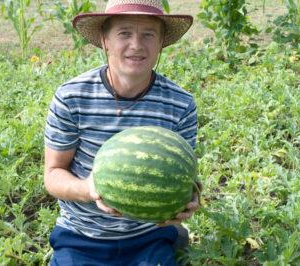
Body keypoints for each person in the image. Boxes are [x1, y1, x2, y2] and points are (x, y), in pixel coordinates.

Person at [43, 0, 201, 265]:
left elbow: (183, 170)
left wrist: (190, 196)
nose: (136, 45)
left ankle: (175, 237)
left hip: (148, 236)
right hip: (81, 235)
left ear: (161, 41)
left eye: (148, 34)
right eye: (124, 33)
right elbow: (52, 174)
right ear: (105, 40)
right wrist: (88, 188)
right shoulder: (71, 96)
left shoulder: (181, 103)